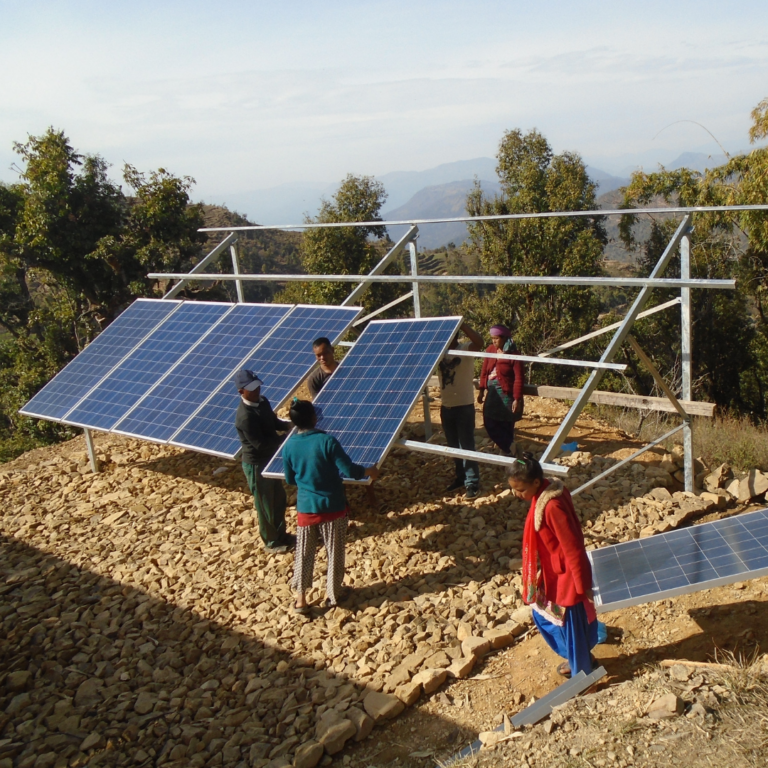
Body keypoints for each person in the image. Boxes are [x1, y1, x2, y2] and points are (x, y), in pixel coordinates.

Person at [281, 399, 380, 613]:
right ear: (315, 418)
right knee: (335, 551)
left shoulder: (289, 446)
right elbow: (351, 471)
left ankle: (301, 599)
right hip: (333, 506)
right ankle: (333, 595)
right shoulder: (327, 441)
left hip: (306, 509)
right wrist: (370, 471)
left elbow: (289, 479)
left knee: (304, 553)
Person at [507, 452, 598, 677]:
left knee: (571, 625)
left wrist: (581, 584)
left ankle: (583, 676)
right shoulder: (549, 491)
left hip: (566, 578)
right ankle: (579, 658)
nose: (516, 494)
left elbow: (572, 546)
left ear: (536, 482)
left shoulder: (551, 507)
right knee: (546, 615)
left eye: (520, 490)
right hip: (554, 573)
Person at [234, 369, 295, 554]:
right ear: (241, 392)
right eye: (251, 389)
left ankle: (282, 535)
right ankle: (271, 542)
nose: (256, 391)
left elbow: (274, 422)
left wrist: (290, 425)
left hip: (269, 459)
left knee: (278, 498)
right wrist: (285, 439)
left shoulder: (263, 402)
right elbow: (261, 445)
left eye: (257, 386)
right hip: (256, 464)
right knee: (265, 503)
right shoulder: (245, 417)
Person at [438, 322, 484, 498]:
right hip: (446, 406)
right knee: (453, 446)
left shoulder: (465, 350)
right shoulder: (439, 352)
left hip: (464, 406)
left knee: (466, 445)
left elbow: (479, 342)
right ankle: (460, 477)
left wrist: (462, 325)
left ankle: (472, 483)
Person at [477, 324, 524, 455]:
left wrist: (517, 399)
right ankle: (510, 446)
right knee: (489, 421)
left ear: (504, 338)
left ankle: (508, 455)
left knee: (507, 424)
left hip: (507, 394)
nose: (494, 341)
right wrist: (481, 390)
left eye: (496, 338)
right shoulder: (490, 351)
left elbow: (519, 378)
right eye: (492, 338)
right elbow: (484, 371)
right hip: (493, 393)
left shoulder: (514, 354)